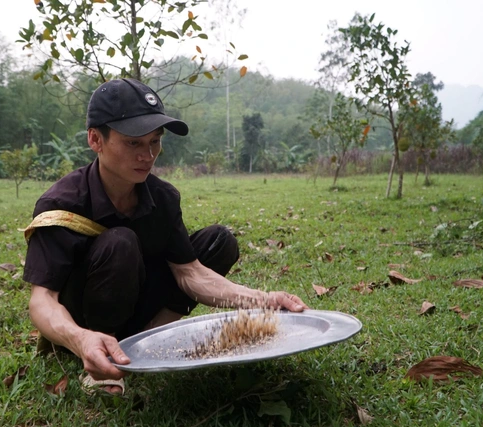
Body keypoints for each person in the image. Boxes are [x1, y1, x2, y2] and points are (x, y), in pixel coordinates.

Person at [22, 78, 309, 395]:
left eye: (154, 142)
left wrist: (264, 301)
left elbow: (190, 273)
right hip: (84, 322)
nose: (148, 155)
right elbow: (42, 301)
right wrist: (80, 338)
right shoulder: (61, 204)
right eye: (133, 143)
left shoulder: (162, 197)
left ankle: (145, 343)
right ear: (95, 140)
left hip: (138, 305)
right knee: (120, 241)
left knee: (218, 241)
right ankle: (105, 361)